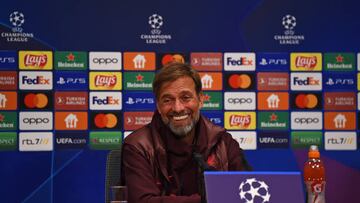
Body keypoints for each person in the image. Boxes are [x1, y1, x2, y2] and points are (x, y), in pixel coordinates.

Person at [121, 62, 251, 203]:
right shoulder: (137, 146)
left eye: (185, 98)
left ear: (201, 99)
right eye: (167, 100)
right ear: (158, 106)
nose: (177, 108)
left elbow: (245, 193)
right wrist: (209, 200)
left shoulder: (223, 143)